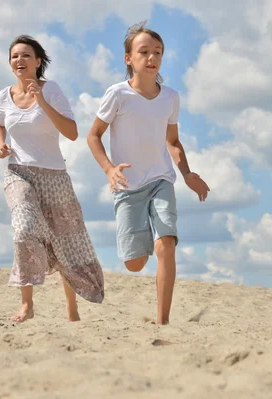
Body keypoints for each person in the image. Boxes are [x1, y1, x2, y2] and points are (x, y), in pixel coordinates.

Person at [87, 22, 210, 325]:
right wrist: (108, 169)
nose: (152, 58)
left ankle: (162, 320)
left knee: (165, 242)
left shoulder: (170, 97)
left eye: (157, 52)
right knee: (134, 263)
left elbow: (173, 141)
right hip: (127, 185)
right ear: (129, 58)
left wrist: (187, 173)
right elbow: (93, 136)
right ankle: (139, 252)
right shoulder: (117, 95)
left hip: (160, 180)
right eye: (144, 52)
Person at [0, 35, 104, 323]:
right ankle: (27, 305)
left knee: (64, 242)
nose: (20, 60)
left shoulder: (51, 90)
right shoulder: (5, 96)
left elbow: (71, 132)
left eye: (26, 55)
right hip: (19, 173)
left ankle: (72, 307)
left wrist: (41, 101)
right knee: (24, 230)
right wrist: (0, 144)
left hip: (55, 177)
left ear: (38, 61)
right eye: (15, 56)